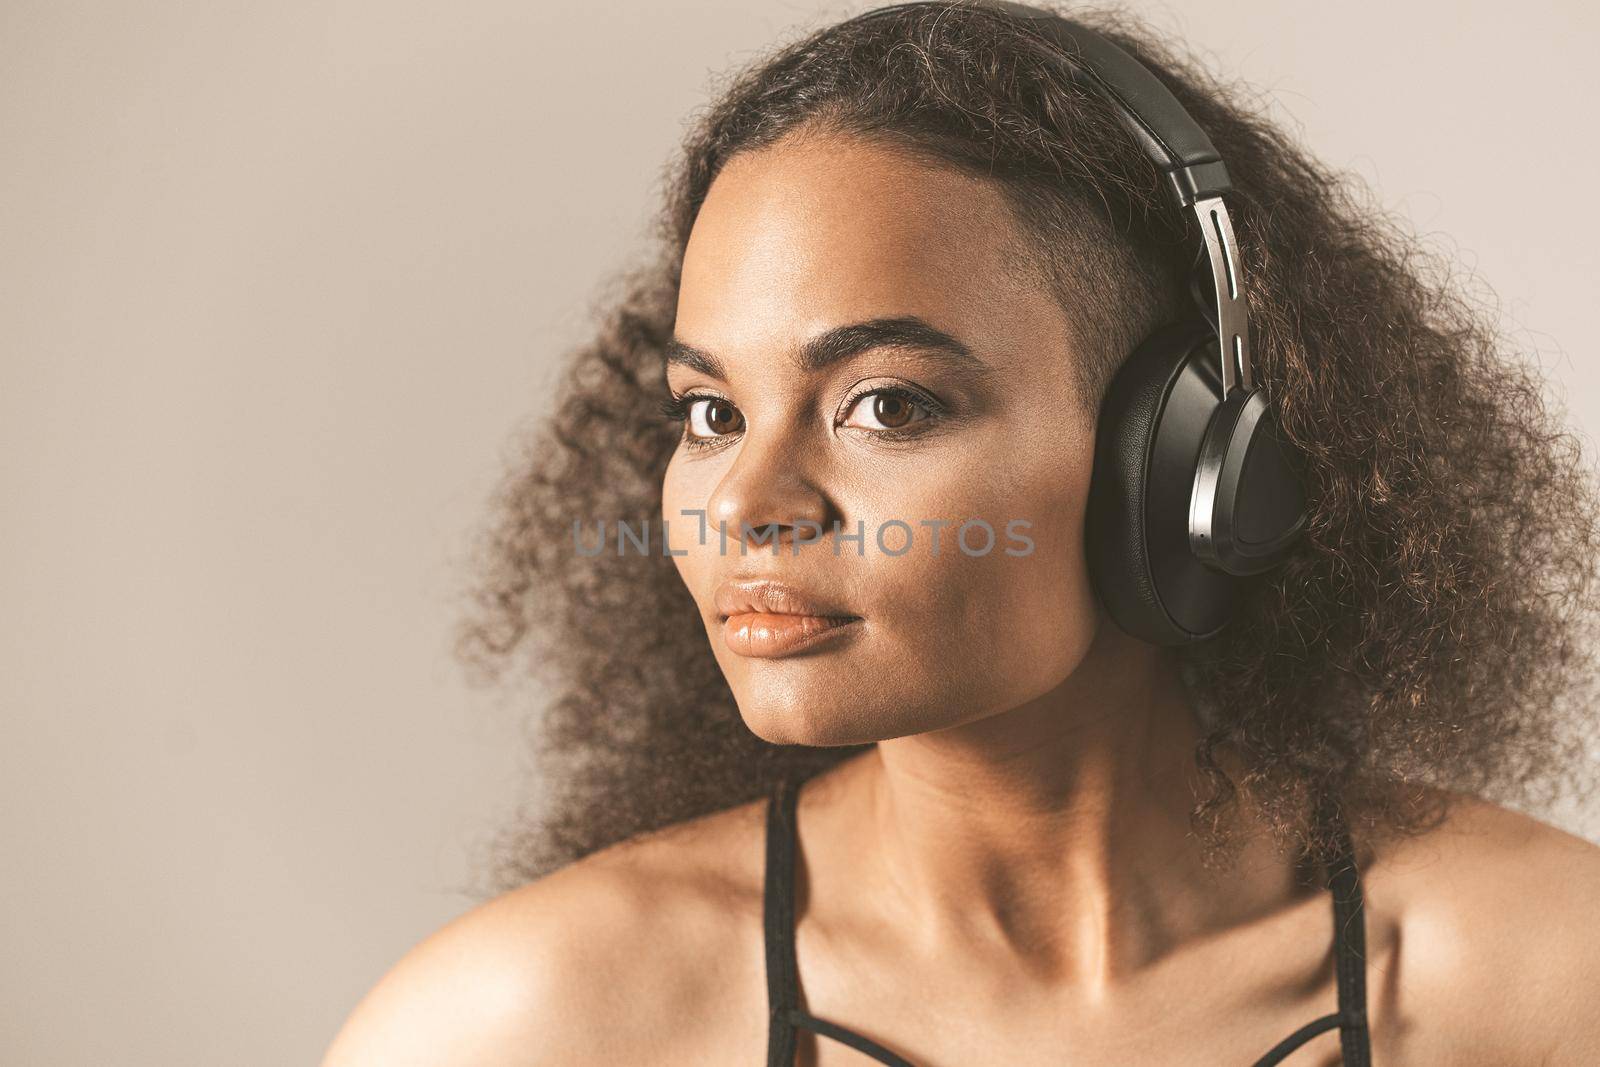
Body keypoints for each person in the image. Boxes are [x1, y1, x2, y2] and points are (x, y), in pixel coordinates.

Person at [321, 2, 1600, 1063]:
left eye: (886, 403)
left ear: (1188, 462)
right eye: (710, 411)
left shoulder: (1550, 982)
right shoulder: (524, 1024)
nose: (746, 501)